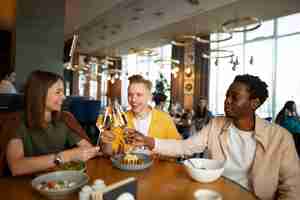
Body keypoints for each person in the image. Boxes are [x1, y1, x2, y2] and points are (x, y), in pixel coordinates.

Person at [107, 74, 300, 200]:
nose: (227, 101)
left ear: (254, 103)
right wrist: (148, 140)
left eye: (234, 97)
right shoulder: (216, 124)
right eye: (226, 96)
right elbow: (185, 147)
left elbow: (292, 189)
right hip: (214, 194)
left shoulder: (280, 138)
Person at [6, 70, 99, 176]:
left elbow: (89, 149)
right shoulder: (16, 121)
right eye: (58, 92)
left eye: (63, 92)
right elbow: (16, 166)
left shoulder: (65, 118)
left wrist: (104, 145)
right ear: (40, 93)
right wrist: (63, 157)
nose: (64, 97)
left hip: (60, 183)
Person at [103, 74, 181, 154]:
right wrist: (107, 141)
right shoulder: (121, 119)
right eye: (130, 95)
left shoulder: (164, 118)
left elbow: (178, 149)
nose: (133, 99)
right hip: (129, 165)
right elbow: (109, 152)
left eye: (139, 95)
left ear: (150, 97)